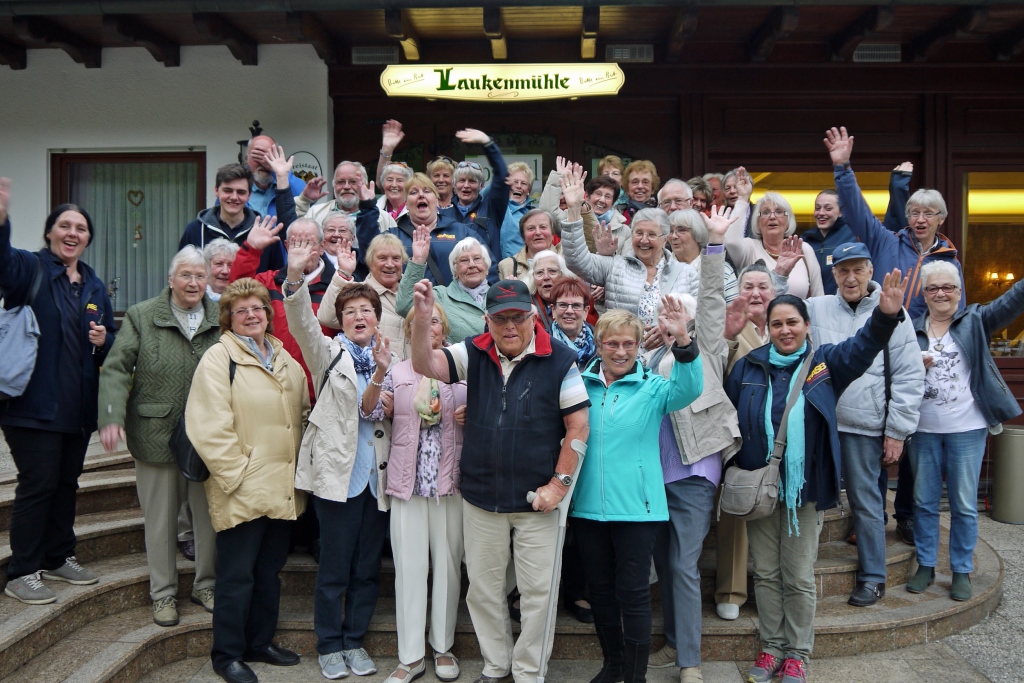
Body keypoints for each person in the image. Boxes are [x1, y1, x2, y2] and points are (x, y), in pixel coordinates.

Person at [727, 271, 908, 683]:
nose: (785, 330)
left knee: (798, 575)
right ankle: (771, 647)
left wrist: (884, 316)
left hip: (804, 491)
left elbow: (863, 349)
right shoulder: (748, 367)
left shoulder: (824, 365)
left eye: (792, 322)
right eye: (777, 324)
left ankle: (798, 653)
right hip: (759, 489)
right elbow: (727, 416)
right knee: (767, 573)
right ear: (767, 329)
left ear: (806, 326)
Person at [409, 277, 590, 683]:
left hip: (536, 500)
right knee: (484, 591)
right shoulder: (473, 351)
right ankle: (496, 665)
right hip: (481, 496)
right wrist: (423, 320)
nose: (510, 326)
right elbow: (426, 365)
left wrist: (559, 485)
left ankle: (528, 674)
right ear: (487, 319)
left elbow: (578, 426)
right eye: (501, 318)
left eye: (518, 317)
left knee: (538, 595)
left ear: (533, 316)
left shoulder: (560, 359)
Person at [572, 300, 702, 683]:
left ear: (638, 346)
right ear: (599, 345)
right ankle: (612, 666)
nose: (621, 351)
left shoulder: (654, 388)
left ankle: (635, 675)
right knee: (601, 593)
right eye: (612, 344)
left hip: (638, 511)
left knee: (633, 593)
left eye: (628, 344)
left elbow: (690, 387)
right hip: (588, 510)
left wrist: (683, 340)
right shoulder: (579, 386)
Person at [280, 238, 394, 680]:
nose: (359, 317)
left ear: (377, 319)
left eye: (367, 310)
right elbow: (303, 322)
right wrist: (296, 278)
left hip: (376, 481)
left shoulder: (393, 358)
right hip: (338, 479)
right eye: (350, 312)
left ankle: (355, 641)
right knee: (334, 569)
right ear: (341, 321)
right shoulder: (327, 353)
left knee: (368, 568)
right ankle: (329, 644)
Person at [186, 277, 308, 683]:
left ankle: (260, 643)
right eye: (242, 310)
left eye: (258, 308)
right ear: (229, 319)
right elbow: (207, 425)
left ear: (267, 314)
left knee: (268, 572)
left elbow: (302, 412)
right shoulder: (220, 358)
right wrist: (237, 474)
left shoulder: (283, 355)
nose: (252, 315)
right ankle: (227, 655)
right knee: (236, 576)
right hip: (241, 486)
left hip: (282, 486)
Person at [0, 179, 114, 605]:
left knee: (67, 483)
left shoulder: (93, 284)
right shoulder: (29, 268)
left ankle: (58, 555)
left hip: (76, 409)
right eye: (64, 225)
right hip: (31, 406)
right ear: (50, 233)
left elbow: (111, 340)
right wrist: (2, 222)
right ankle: (23, 571)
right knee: (39, 483)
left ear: (87, 239)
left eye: (81, 228)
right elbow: (2, 263)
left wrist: (106, 341)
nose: (73, 233)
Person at [97, 246, 220, 626]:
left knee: (208, 518)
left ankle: (206, 585)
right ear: (170, 279)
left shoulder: (222, 317)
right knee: (161, 522)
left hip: (208, 434)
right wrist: (111, 415)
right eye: (185, 275)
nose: (193, 282)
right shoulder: (142, 315)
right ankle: (163, 594)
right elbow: (116, 368)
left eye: (200, 276)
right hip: (156, 433)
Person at [648, 212, 742, 681]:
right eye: (665, 322)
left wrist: (716, 244)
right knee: (666, 564)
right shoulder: (649, 360)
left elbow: (709, 303)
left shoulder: (705, 348)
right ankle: (673, 643)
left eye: (676, 320)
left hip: (694, 474)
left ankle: (691, 663)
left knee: (683, 565)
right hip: (653, 479)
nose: (671, 328)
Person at [804, 243, 924, 607]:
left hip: (864, 424)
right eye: (843, 270)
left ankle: (873, 577)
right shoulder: (815, 307)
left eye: (858, 269)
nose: (850, 278)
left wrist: (897, 431)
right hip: (819, 422)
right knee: (806, 500)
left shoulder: (893, 312)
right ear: (834, 274)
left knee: (867, 503)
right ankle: (798, 572)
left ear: (871, 270)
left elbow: (909, 376)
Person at [907, 261, 1024, 601]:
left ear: (959, 292)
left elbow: (1010, 302)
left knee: (962, 504)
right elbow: (893, 372)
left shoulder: (975, 321)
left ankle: (961, 570)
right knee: (924, 501)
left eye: (948, 287)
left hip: (968, 428)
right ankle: (926, 565)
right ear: (924, 294)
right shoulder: (911, 329)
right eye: (933, 288)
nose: (941, 293)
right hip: (923, 428)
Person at [363, 304, 467, 683]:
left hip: (450, 486)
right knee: (409, 571)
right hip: (408, 486)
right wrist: (378, 372)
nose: (428, 327)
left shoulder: (462, 372)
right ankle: (410, 656)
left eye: (435, 321)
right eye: (421, 322)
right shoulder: (396, 372)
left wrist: (473, 414)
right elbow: (369, 411)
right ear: (410, 331)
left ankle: (442, 647)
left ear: (444, 329)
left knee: (447, 569)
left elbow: (488, 418)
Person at [824, 126, 965, 319]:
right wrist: (843, 168)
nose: (921, 219)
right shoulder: (886, 242)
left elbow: (958, 310)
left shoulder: (949, 261)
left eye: (928, 214)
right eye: (915, 213)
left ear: (941, 219)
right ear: (908, 217)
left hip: (919, 343)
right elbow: (857, 211)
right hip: (878, 335)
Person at [561, 171, 699, 351]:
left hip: (669, 360)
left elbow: (700, 319)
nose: (643, 240)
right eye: (638, 233)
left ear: (666, 238)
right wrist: (573, 209)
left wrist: (671, 328)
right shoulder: (615, 265)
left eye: (651, 235)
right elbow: (576, 260)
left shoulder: (686, 273)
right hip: (621, 358)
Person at [229, 215, 338, 400]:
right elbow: (237, 294)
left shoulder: (336, 287)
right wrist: (251, 250)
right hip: (273, 389)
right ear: (287, 246)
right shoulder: (269, 282)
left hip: (320, 394)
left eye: (309, 243)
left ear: (322, 248)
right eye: (296, 243)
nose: (302, 250)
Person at [365, 173, 497, 286]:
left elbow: (488, 268)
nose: (421, 195)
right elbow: (368, 258)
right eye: (413, 192)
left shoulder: (462, 232)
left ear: (437, 200)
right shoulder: (393, 236)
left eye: (427, 191)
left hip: (455, 311)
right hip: (409, 312)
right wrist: (367, 209)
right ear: (405, 203)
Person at [180, 151, 297, 274]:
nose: (234, 197)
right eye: (228, 191)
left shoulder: (265, 234)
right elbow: (182, 273)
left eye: (241, 192)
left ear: (249, 195)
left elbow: (275, 280)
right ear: (216, 191)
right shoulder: (195, 230)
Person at [724, 168, 823, 299]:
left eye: (779, 212)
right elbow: (731, 241)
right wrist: (742, 198)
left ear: (788, 221)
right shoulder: (750, 247)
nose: (772, 217)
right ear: (757, 223)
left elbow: (818, 296)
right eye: (765, 212)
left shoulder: (803, 249)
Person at [319, 233, 411, 360]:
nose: (390, 264)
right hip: (376, 375)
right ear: (370, 262)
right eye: (382, 258)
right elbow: (326, 318)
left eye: (396, 258)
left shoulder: (417, 293)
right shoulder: (358, 293)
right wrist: (343, 273)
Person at [397, 230, 490, 344]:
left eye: (477, 259)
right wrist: (418, 260)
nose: (472, 265)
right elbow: (404, 306)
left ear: (486, 267)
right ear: (455, 271)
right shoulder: (441, 296)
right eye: (464, 260)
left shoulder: (499, 295)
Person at [440, 129, 510, 261]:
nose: (466, 185)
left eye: (472, 181)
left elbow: (502, 177)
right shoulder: (442, 216)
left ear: (481, 186)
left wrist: (488, 144)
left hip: (487, 277)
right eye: (462, 181)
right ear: (454, 185)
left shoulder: (491, 209)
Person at [294, 160, 396, 233]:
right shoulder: (315, 214)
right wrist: (304, 200)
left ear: (365, 186)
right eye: (341, 182)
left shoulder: (384, 219)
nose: (346, 187)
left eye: (353, 182)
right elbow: (291, 230)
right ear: (333, 185)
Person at [667, 208, 738, 302]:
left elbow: (733, 310)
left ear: (697, 233)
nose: (674, 236)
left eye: (681, 230)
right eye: (670, 231)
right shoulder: (660, 268)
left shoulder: (723, 269)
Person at [244, 135, 306, 224]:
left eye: (269, 156)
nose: (263, 162)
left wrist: (278, 171)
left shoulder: (286, 182)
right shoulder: (237, 188)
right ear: (247, 159)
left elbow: (302, 194)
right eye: (257, 156)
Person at [498, 208, 560, 288]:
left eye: (543, 227)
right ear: (523, 238)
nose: (538, 232)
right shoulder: (508, 265)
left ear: (552, 234)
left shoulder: (565, 258)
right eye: (531, 228)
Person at [526, 250, 574, 333]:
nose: (546, 277)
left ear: (563, 275)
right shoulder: (527, 305)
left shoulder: (578, 299)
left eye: (552, 271)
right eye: (539, 272)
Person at [376, 119, 412, 222]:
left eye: (400, 180)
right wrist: (387, 149)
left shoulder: (418, 208)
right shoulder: (374, 210)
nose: (394, 184)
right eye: (390, 180)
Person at [500, 161, 538, 259]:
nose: (519, 186)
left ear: (529, 190)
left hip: (520, 269)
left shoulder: (532, 214)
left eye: (524, 183)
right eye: (515, 182)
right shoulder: (496, 207)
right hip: (493, 269)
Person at [321, 211, 369, 281]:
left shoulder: (363, 260)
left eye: (342, 230)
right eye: (331, 230)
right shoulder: (314, 259)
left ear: (352, 239)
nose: (336, 234)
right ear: (322, 236)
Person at [620, 160, 660, 225]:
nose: (640, 186)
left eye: (645, 182)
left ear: (652, 188)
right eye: (635, 182)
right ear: (627, 188)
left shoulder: (661, 215)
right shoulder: (618, 214)